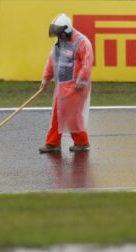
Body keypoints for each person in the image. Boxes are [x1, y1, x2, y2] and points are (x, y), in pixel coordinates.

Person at [39, 13, 94, 153]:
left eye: (61, 34)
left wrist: (81, 80)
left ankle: (79, 142)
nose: (59, 37)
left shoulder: (82, 42)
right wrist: (46, 79)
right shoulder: (59, 43)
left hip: (76, 87)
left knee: (72, 115)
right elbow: (52, 62)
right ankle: (55, 143)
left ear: (67, 30)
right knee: (59, 113)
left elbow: (87, 62)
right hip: (62, 86)